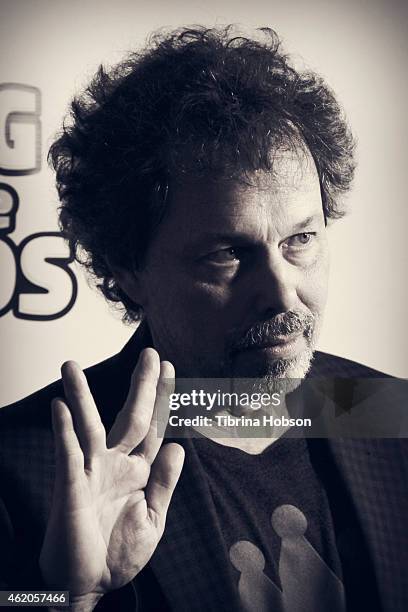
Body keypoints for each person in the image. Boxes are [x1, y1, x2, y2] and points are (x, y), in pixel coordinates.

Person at [0, 26, 407, 612]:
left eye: (300, 240)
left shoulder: (387, 412)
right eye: (228, 254)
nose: (281, 293)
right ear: (127, 263)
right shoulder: (23, 463)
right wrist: (67, 597)